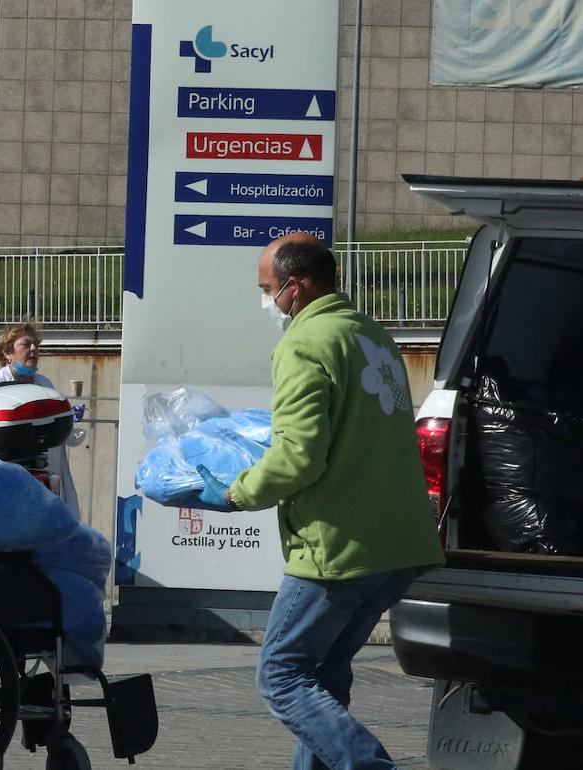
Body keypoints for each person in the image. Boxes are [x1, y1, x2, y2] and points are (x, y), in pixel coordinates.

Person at [196, 232, 445, 770]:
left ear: (296, 286)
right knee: (325, 677)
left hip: (339, 547)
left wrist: (236, 493)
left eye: (268, 289)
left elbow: (300, 456)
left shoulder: (305, 344)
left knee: (281, 674)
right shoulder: (371, 335)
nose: (266, 301)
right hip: (398, 543)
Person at [0, 322, 82, 518]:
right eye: (26, 344)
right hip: (6, 475)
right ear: (7, 352)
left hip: (45, 471)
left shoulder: (44, 383)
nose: (33, 349)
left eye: (36, 345)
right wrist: (1, 449)